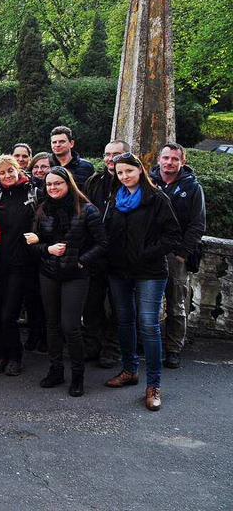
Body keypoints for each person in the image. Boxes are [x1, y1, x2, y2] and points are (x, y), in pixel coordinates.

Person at [102, 153, 182, 411]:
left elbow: (172, 236)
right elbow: (107, 230)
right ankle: (129, 370)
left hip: (149, 271)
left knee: (148, 324)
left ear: (140, 170)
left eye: (128, 171)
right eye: (120, 172)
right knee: (124, 320)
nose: (124, 176)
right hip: (119, 270)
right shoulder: (116, 199)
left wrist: (144, 253)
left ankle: (154, 385)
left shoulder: (157, 198)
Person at [25, 167, 107, 397]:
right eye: (49, 184)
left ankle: (78, 376)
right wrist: (47, 248)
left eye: (57, 183)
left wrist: (81, 262)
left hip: (75, 275)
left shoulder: (87, 210)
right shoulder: (42, 209)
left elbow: (102, 243)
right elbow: (33, 244)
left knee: (70, 326)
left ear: (68, 184)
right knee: (51, 324)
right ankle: (56, 370)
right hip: (49, 273)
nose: (52, 188)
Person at [150, 142, 207, 369]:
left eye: (175, 159)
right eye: (166, 158)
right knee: (149, 302)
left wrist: (183, 253)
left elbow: (197, 224)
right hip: (152, 252)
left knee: (176, 304)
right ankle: (147, 342)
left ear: (183, 161)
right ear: (159, 159)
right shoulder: (150, 183)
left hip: (176, 256)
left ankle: (173, 348)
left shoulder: (193, 187)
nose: (169, 162)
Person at [0, 155, 41, 377]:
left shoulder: (32, 193)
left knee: (9, 313)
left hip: (22, 263)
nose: (7, 175)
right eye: (2, 172)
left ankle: (15, 357)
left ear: (18, 169)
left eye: (11, 170)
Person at [82, 140, 128, 368]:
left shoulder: (134, 183)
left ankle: (112, 349)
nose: (111, 159)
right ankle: (92, 344)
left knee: (118, 306)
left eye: (117, 154)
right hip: (95, 254)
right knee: (92, 304)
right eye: (107, 154)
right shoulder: (95, 181)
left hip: (122, 256)